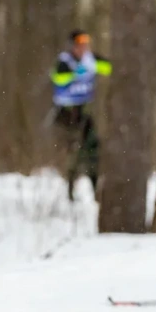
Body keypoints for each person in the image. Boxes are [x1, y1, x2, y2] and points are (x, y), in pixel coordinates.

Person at [49, 30, 112, 201]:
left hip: (84, 111)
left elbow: (109, 67)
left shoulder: (90, 59)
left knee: (92, 149)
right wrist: (78, 71)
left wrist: (94, 65)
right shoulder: (65, 61)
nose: (83, 48)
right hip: (66, 113)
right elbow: (59, 79)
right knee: (72, 153)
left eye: (85, 44)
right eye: (79, 45)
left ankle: (95, 190)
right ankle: (70, 191)